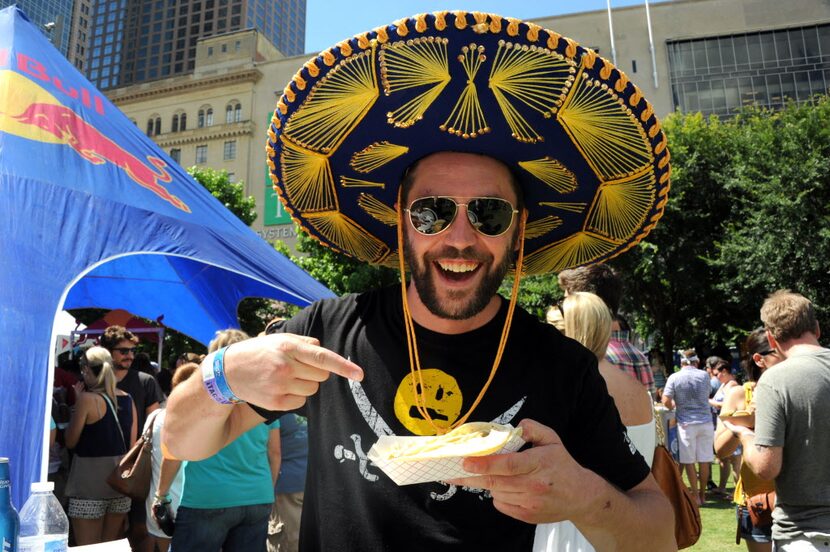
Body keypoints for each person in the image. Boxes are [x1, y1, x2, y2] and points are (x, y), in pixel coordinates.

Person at [164, 12, 675, 551]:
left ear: (518, 231)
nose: (459, 237)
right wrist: (220, 374)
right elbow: (182, 439)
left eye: (490, 214)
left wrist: (583, 496)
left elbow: (658, 533)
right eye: (431, 212)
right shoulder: (325, 335)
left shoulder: (562, 366)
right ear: (400, 218)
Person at [537, 292, 655, 551]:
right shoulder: (637, 389)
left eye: (552, 329)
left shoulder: (575, 387)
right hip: (629, 523)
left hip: (574, 528)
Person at [726, 291, 830, 551]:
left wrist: (745, 436)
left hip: (806, 533)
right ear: (816, 328)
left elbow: (766, 467)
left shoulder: (775, 380)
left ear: (771, 337)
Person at [170, 330, 281, 552]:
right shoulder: (265, 398)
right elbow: (275, 453)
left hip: (207, 497)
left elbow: (174, 449)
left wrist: (160, 495)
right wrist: (264, 490)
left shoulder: (200, 397)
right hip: (257, 496)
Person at [64, 346, 137, 546]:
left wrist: (76, 406)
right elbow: (132, 446)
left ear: (86, 370)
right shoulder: (128, 399)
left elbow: (70, 440)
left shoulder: (87, 400)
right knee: (109, 547)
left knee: (89, 548)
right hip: (119, 484)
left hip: (88, 485)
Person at [100, 325, 165, 550]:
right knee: (107, 529)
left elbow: (155, 423)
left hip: (136, 463)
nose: (129, 356)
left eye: (132, 351)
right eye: (123, 351)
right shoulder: (96, 381)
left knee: (140, 527)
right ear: (107, 351)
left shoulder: (145, 380)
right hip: (101, 461)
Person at [715, 329, 779, 552]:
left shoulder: (795, 389)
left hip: (797, 500)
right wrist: (746, 422)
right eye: (780, 352)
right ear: (759, 359)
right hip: (758, 502)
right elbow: (720, 451)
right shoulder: (741, 394)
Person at [558, 265, 656, 395]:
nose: (563, 311)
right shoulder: (639, 358)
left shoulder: (587, 359)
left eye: (566, 303)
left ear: (587, 304)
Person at [144, 362, 199, 552]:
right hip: (196, 502)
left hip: (162, 500)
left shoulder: (155, 417)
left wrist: (160, 496)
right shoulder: (208, 420)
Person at [662, 349, 713, 505]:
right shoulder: (704, 375)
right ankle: (704, 494)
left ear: (681, 362)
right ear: (696, 361)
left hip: (686, 423)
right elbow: (707, 394)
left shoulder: (675, 377)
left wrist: (673, 406)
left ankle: (696, 495)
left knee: (689, 461)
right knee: (704, 460)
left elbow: (665, 400)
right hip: (706, 421)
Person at [267, 413, 307, 552]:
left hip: (286, 484)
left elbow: (274, 452)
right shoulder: (312, 407)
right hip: (312, 481)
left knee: (289, 540)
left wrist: (269, 488)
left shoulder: (277, 412)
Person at [708, 356, 740, 498]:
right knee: (723, 459)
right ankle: (722, 488)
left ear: (725, 371)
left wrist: (710, 402)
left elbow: (727, 404)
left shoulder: (732, 385)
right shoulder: (724, 384)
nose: (715, 377)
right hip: (721, 424)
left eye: (717, 374)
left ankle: (737, 491)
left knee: (735, 460)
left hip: (730, 426)